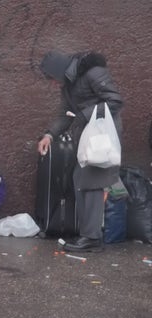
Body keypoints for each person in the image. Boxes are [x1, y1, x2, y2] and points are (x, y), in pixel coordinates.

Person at [37, 50, 124, 252]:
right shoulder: (68, 84)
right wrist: (49, 135)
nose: (52, 83)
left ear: (59, 71)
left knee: (92, 183)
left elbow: (115, 101)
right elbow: (65, 115)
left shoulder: (93, 73)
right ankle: (89, 235)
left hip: (101, 134)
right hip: (87, 136)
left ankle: (92, 238)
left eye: (51, 78)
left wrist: (84, 115)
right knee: (80, 179)